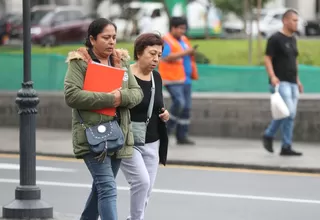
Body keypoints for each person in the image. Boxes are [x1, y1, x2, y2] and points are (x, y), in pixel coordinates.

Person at [63, 18, 143, 220]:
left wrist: (121, 97)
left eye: (114, 37)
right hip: (92, 136)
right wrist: (110, 98)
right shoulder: (79, 63)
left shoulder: (122, 61)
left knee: (101, 188)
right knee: (108, 187)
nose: (111, 42)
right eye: (106, 37)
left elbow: (137, 93)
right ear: (92, 39)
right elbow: (72, 96)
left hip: (118, 134)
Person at [120, 33, 169, 220]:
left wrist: (165, 113)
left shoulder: (156, 77)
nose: (156, 59)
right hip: (128, 139)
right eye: (152, 53)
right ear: (139, 53)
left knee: (146, 188)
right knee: (141, 182)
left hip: (152, 141)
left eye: (159, 55)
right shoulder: (125, 75)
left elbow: (157, 105)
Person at [262, 9, 303, 156]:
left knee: (290, 115)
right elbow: (267, 58)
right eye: (294, 20)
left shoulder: (293, 39)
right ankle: (269, 134)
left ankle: (286, 146)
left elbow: (294, 60)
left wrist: (298, 80)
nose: (296, 23)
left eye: (297, 20)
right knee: (288, 113)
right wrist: (272, 76)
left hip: (292, 82)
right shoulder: (275, 39)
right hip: (280, 82)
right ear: (285, 21)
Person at [158, 16, 198, 145]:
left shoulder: (184, 40)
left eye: (184, 29)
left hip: (185, 79)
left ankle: (182, 136)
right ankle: (167, 130)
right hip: (172, 78)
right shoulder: (166, 40)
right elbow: (166, 56)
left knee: (186, 108)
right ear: (173, 28)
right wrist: (186, 52)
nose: (182, 31)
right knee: (179, 103)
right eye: (180, 28)